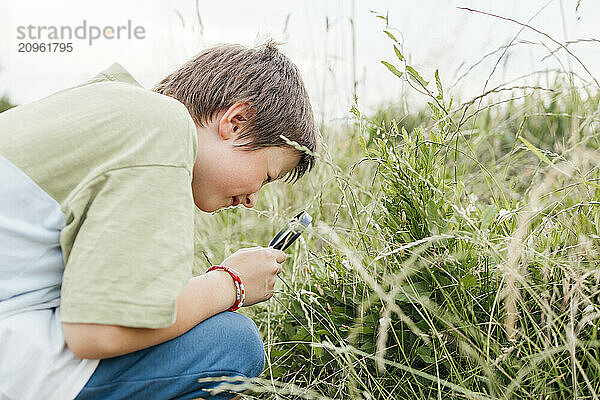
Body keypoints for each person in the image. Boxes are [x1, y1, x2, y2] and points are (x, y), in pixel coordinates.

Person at [0, 42, 317, 400]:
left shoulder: (107, 102)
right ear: (236, 122)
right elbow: (98, 332)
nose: (252, 199)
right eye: (266, 176)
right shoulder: (164, 127)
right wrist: (232, 283)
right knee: (231, 342)